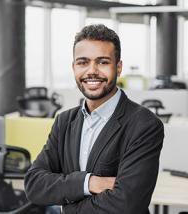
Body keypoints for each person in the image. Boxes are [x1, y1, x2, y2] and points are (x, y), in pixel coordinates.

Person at [24, 24, 164, 214]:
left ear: (119, 67)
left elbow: (127, 204)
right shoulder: (64, 121)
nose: (92, 71)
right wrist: (88, 182)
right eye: (83, 62)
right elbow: (34, 184)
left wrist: (68, 208)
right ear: (74, 67)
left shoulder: (144, 125)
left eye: (103, 62)